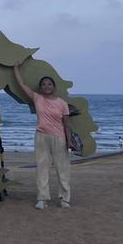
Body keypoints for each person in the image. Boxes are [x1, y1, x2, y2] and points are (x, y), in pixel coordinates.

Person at [12, 64, 75, 209]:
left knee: (62, 169)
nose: (47, 86)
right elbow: (22, 84)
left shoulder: (62, 103)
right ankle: (42, 198)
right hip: (41, 137)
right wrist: (15, 68)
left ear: (54, 86)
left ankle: (65, 199)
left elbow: (67, 124)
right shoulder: (37, 98)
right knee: (42, 168)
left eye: (49, 84)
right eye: (44, 84)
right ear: (41, 87)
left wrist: (69, 140)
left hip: (59, 138)